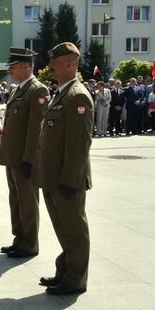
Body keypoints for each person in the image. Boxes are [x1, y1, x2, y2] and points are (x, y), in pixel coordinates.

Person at [34, 42, 92, 295]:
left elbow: (79, 144)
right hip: (53, 176)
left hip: (67, 179)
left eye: (55, 63)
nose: (50, 67)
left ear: (69, 64)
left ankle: (75, 280)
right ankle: (65, 272)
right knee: (63, 228)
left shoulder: (77, 96)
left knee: (74, 230)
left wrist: (70, 179)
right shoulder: (62, 93)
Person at [0, 47, 48, 259]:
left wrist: (29, 159)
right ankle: (19, 238)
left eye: (14, 67)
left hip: (24, 159)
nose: (10, 71)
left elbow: (36, 129)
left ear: (27, 66)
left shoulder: (37, 90)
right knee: (16, 200)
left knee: (27, 202)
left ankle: (30, 243)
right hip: (12, 157)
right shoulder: (18, 89)